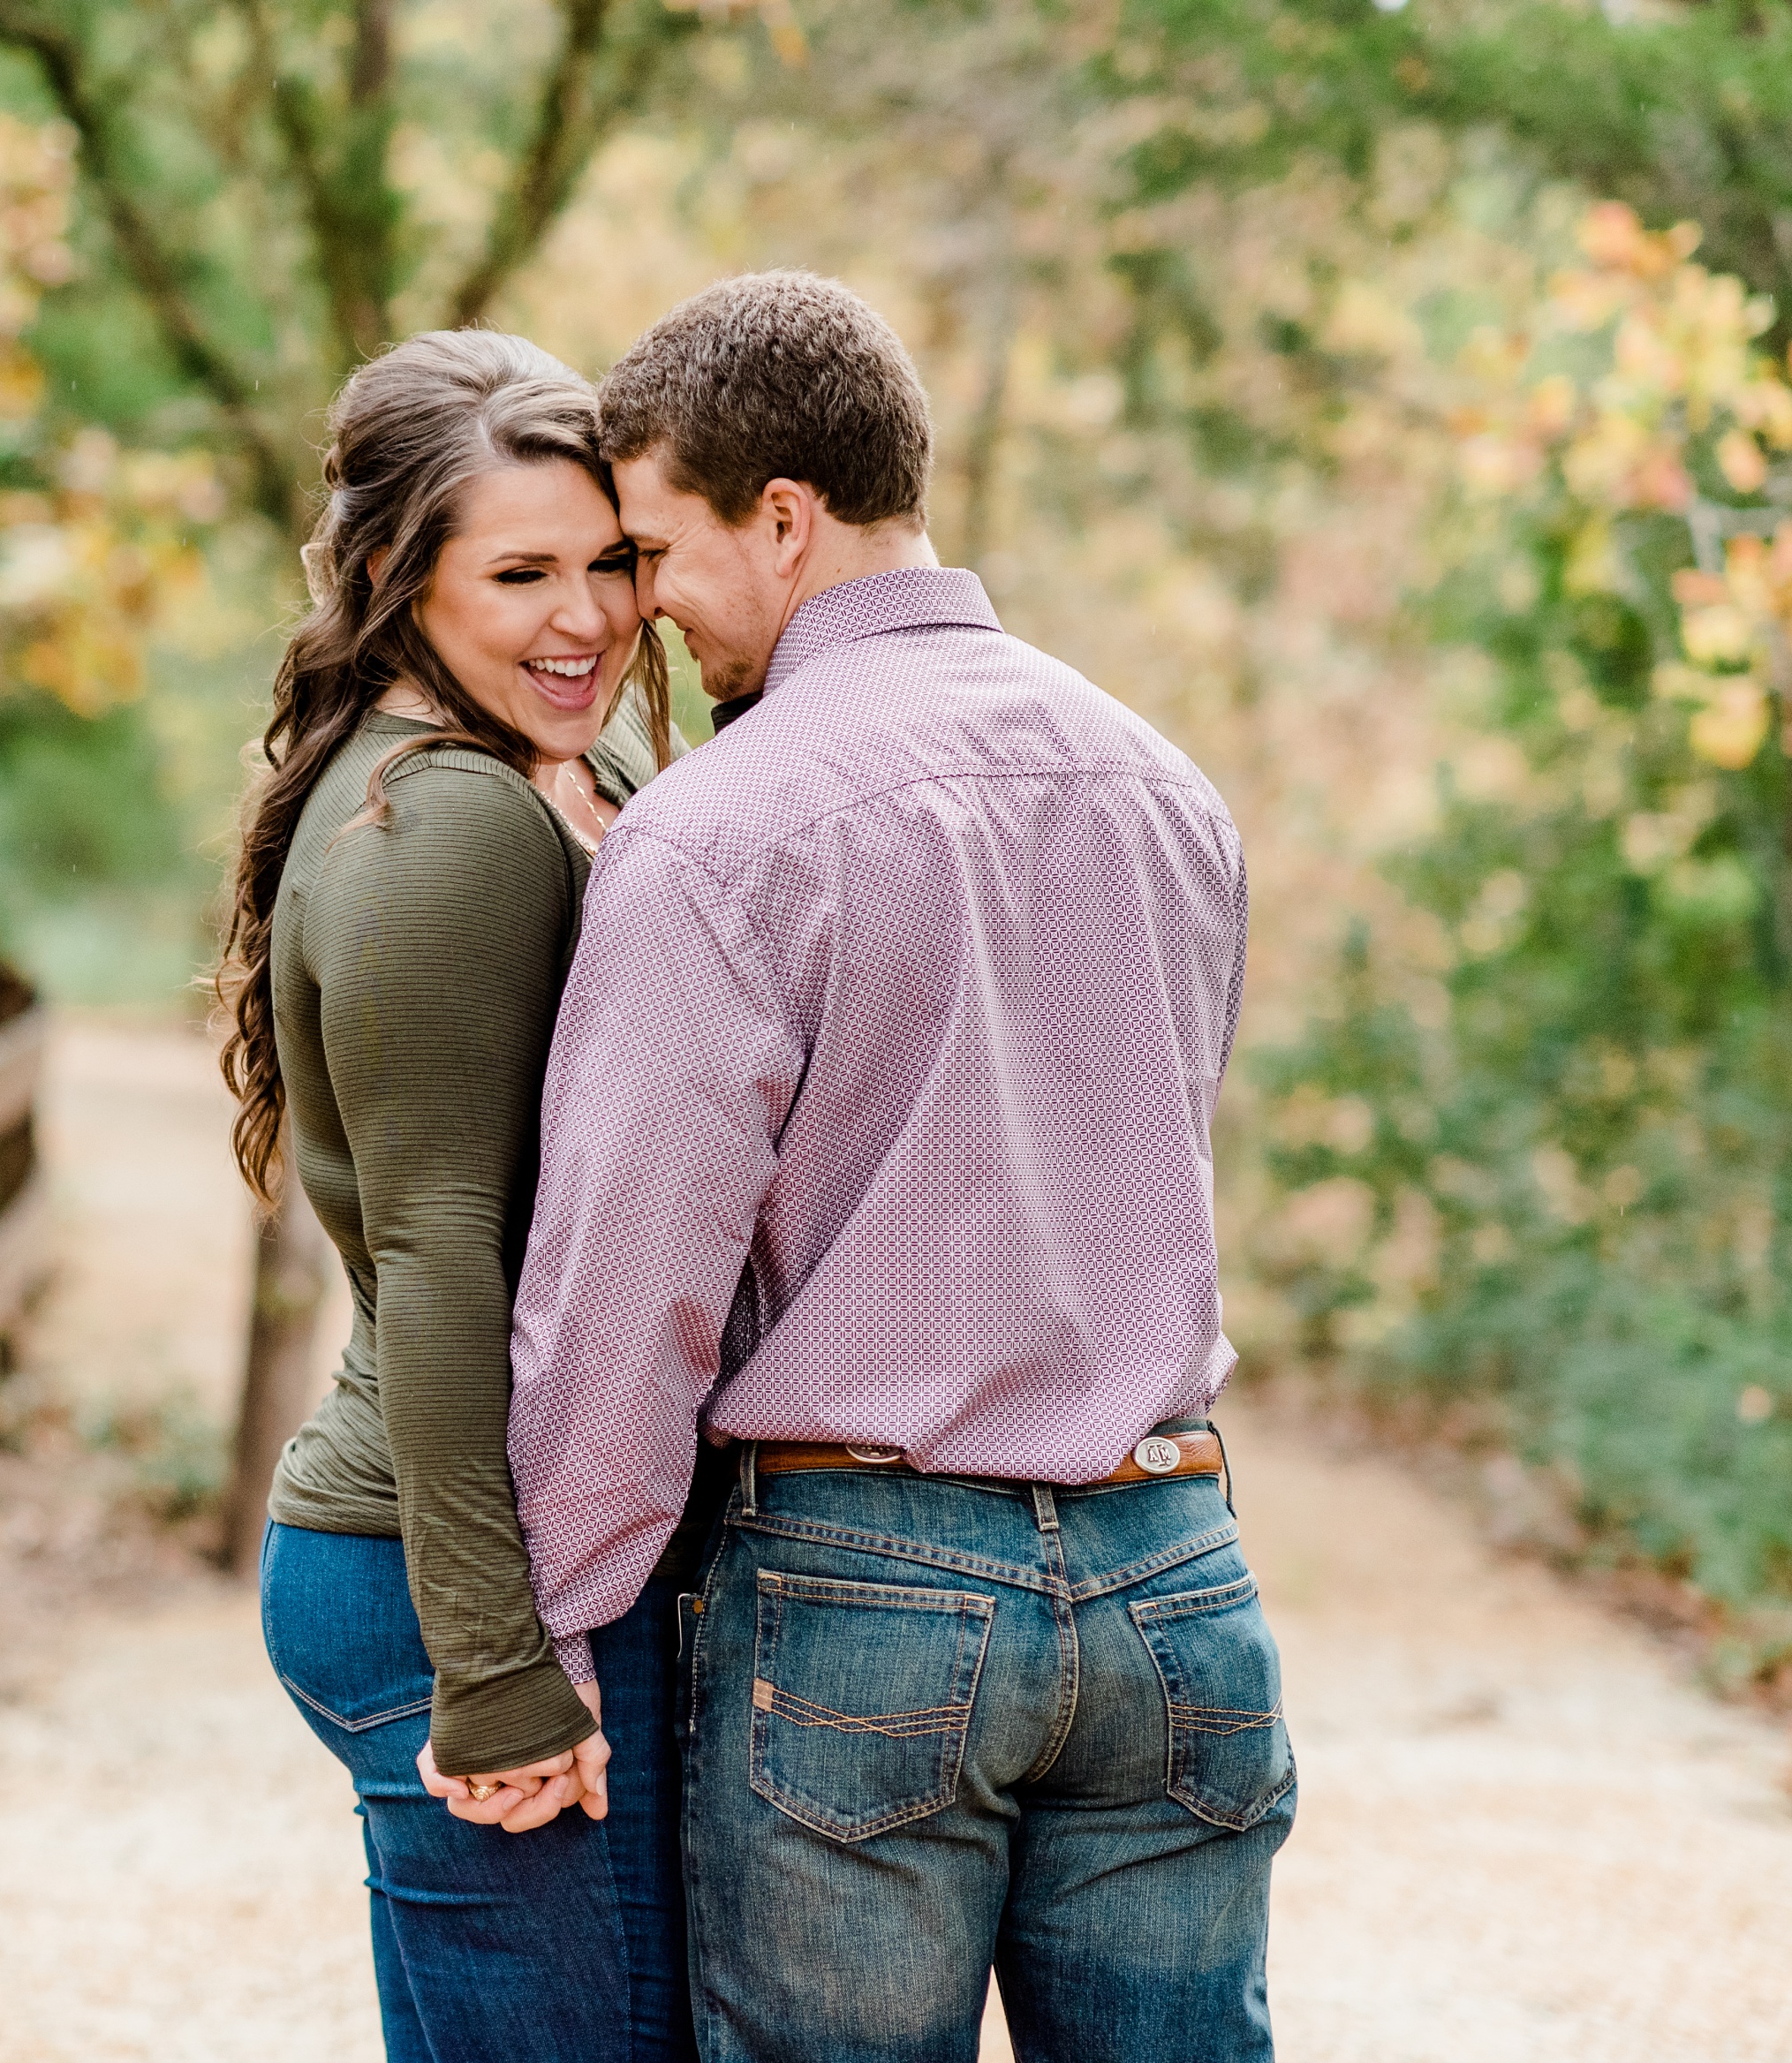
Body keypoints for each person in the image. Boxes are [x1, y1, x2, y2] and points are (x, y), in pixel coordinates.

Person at [507, 271, 1292, 2063]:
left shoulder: (715, 829)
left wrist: (550, 1617)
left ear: (779, 519)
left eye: (651, 550)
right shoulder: (1164, 788)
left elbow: (632, 1284)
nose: (637, 614)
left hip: (867, 1585)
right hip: (1174, 1560)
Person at [217, 328, 693, 2063]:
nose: (584, 618)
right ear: (389, 576)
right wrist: (491, 1667)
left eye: (611, 565)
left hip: (500, 1553)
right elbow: (436, 1255)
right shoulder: (448, 823)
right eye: (520, 575)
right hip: (447, 1581)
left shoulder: (550, 775)